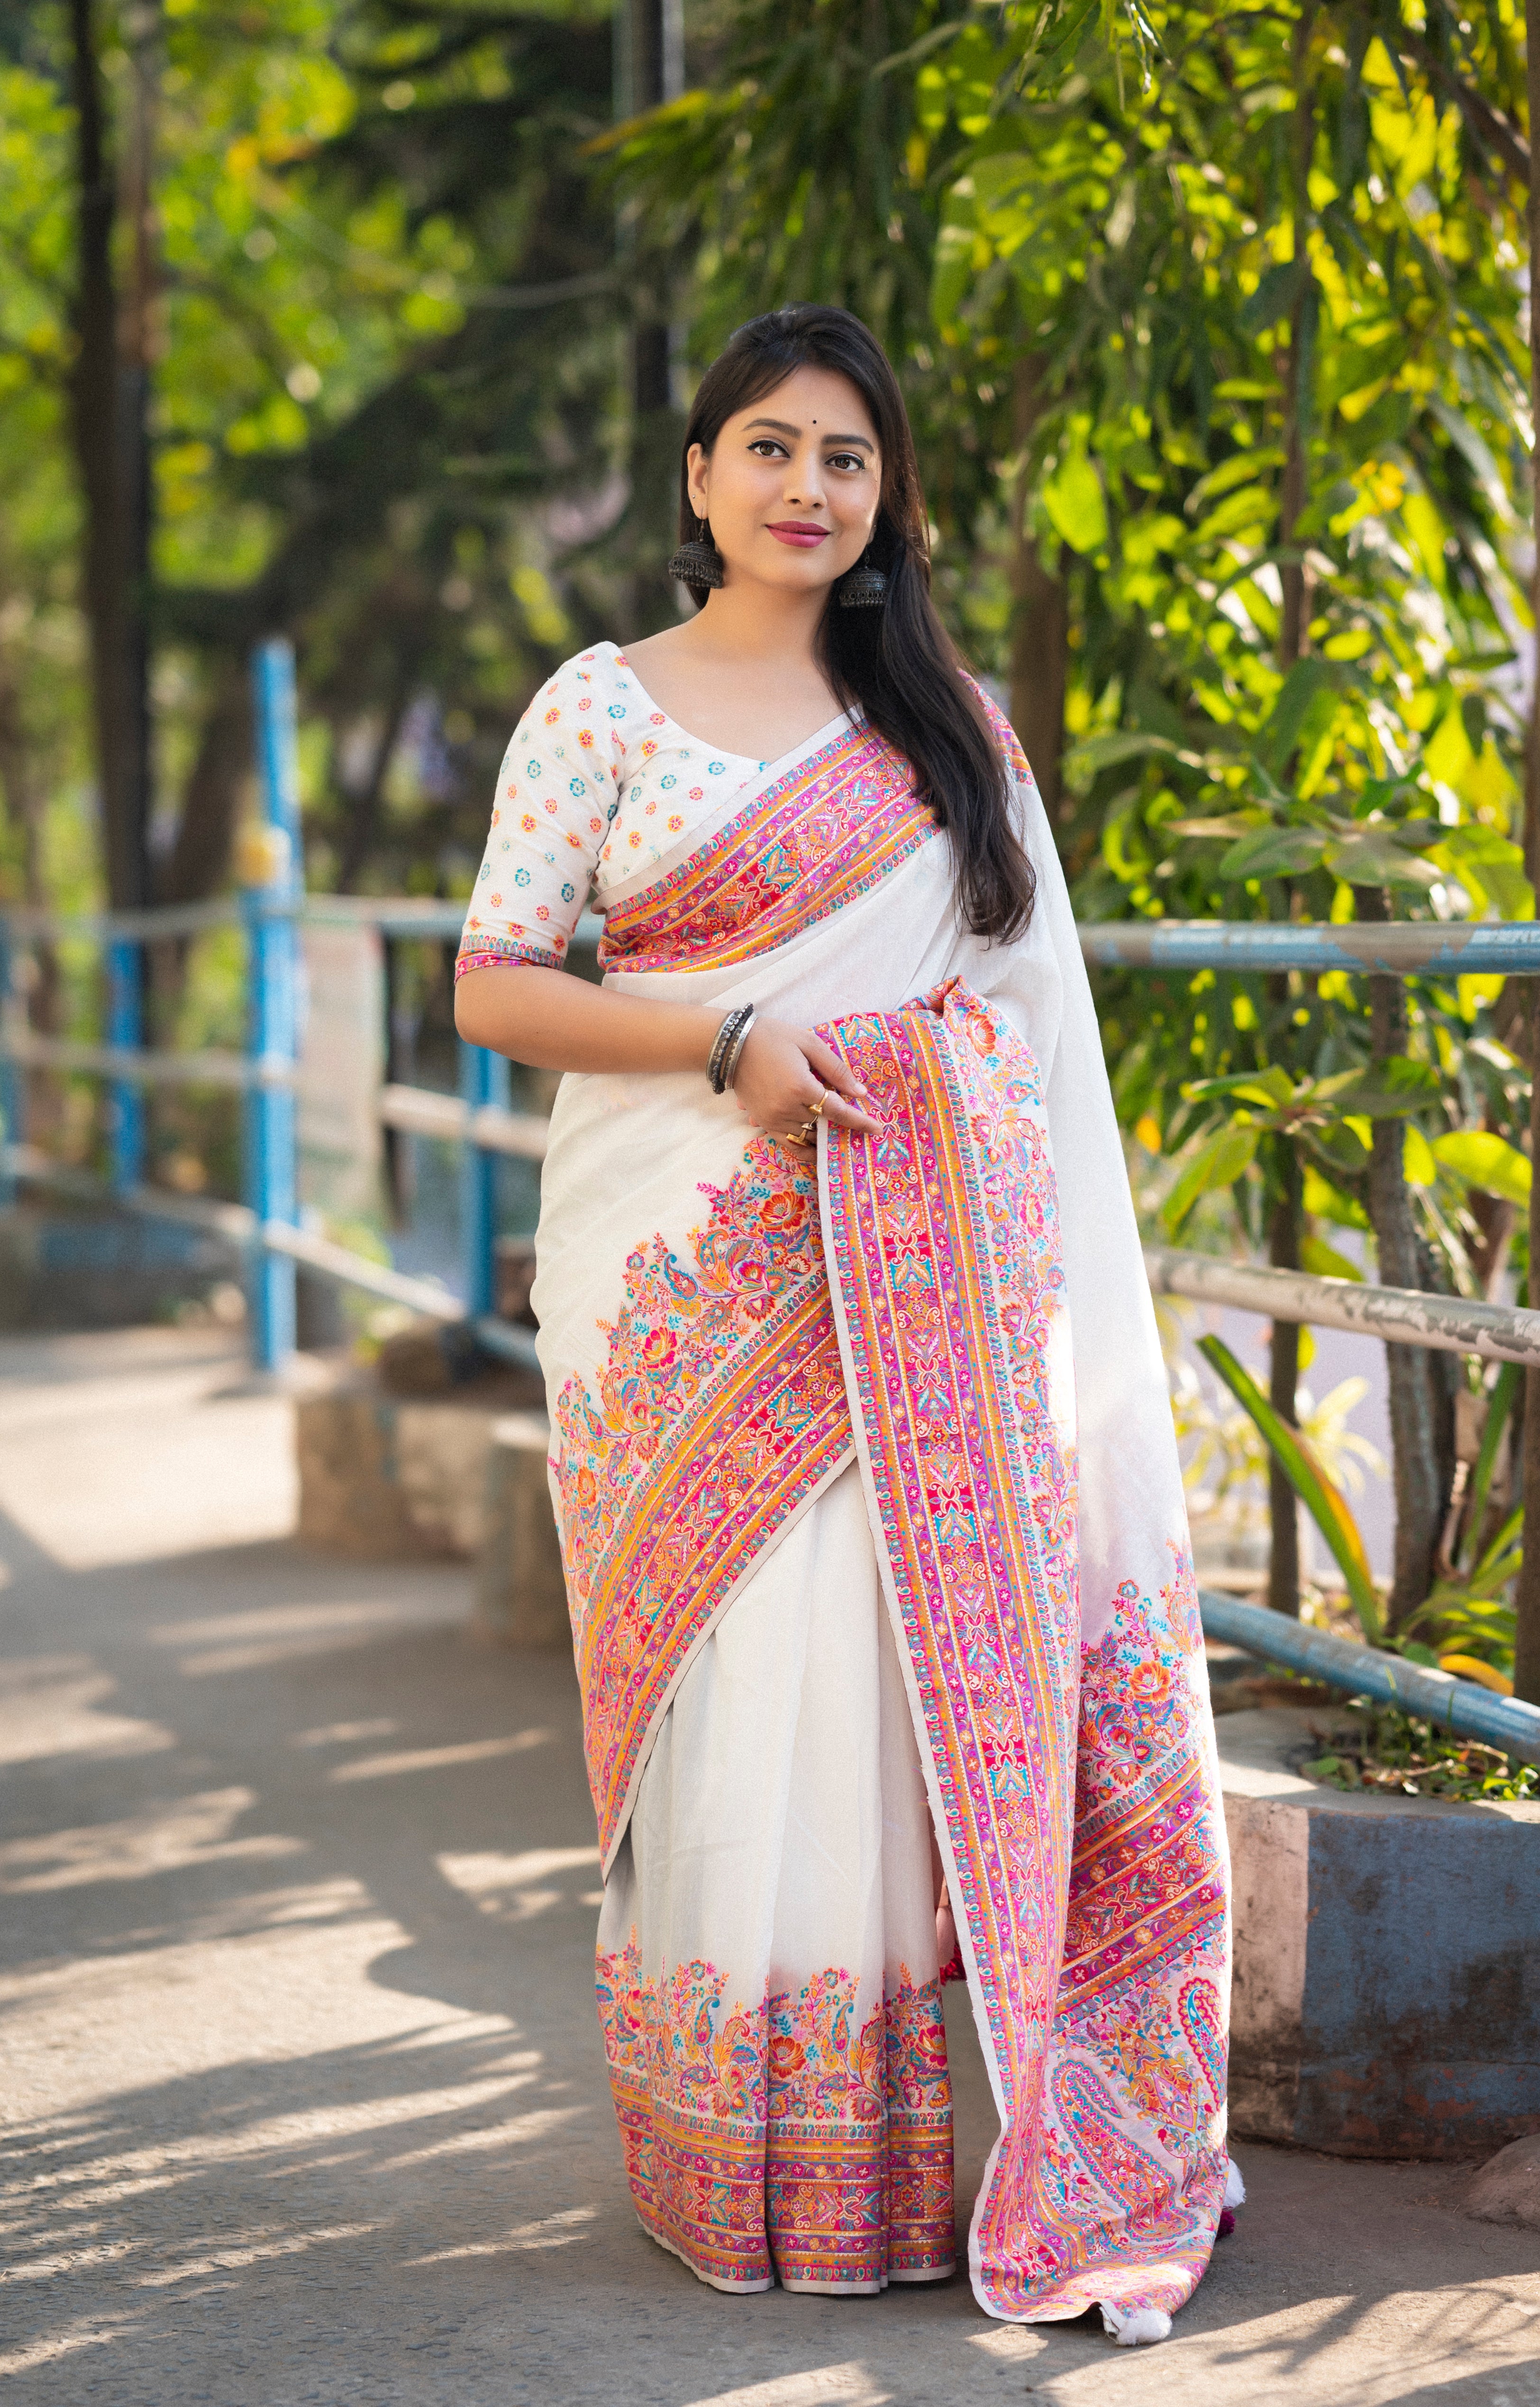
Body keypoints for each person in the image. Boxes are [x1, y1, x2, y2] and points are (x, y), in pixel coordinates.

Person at [454, 303, 1237, 2341]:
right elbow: (495, 986)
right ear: (700, 473)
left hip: (922, 1302)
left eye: (851, 460)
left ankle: (881, 2168)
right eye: (773, 448)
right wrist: (736, 1039)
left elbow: (1024, 1035)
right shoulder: (600, 710)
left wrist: (905, 1087)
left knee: (865, 1705)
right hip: (680, 1287)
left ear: (888, 501)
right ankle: (732, 2155)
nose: (811, 487)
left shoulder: (940, 731)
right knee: (736, 1696)